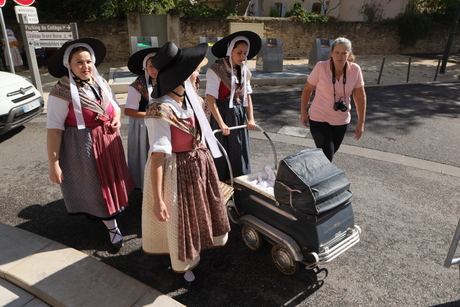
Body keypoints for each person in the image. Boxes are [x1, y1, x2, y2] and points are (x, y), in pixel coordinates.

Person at [142, 42, 231, 288]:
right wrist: (158, 198)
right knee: (183, 219)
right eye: (194, 70)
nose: (198, 73)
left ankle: (198, 248)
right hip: (176, 170)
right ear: (179, 76)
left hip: (198, 164)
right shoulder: (159, 109)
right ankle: (185, 263)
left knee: (200, 211)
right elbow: (158, 156)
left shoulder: (189, 99)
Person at [46, 38, 135, 249]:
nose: (85, 67)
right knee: (97, 186)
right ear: (69, 64)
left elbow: (115, 106)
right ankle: (112, 227)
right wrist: (53, 164)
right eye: (79, 62)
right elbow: (53, 131)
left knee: (109, 181)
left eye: (88, 61)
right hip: (83, 146)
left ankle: (107, 212)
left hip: (108, 141)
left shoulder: (100, 83)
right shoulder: (61, 92)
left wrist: (117, 118)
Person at [205, 31, 262, 182]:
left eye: (245, 53)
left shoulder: (243, 70)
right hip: (221, 114)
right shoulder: (216, 70)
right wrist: (221, 123)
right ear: (230, 51)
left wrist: (251, 118)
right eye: (239, 53)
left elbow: (247, 95)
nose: (242, 57)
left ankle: (240, 185)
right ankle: (221, 187)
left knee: (240, 150)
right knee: (221, 153)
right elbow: (210, 99)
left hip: (238, 115)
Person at [300, 37, 367, 161]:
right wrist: (303, 113)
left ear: (349, 54)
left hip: (341, 120)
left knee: (325, 156)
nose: (340, 56)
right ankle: (317, 178)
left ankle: (311, 172)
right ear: (331, 53)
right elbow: (307, 90)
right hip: (319, 118)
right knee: (327, 156)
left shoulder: (355, 70)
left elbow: (360, 97)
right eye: (337, 52)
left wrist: (361, 122)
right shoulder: (321, 67)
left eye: (344, 53)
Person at [125, 47, 159, 190]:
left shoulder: (165, 82)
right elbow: (129, 110)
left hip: (159, 124)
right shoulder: (137, 86)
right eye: (150, 66)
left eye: (157, 65)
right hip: (142, 127)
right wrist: (151, 115)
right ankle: (145, 186)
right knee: (144, 156)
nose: (154, 69)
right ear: (145, 67)